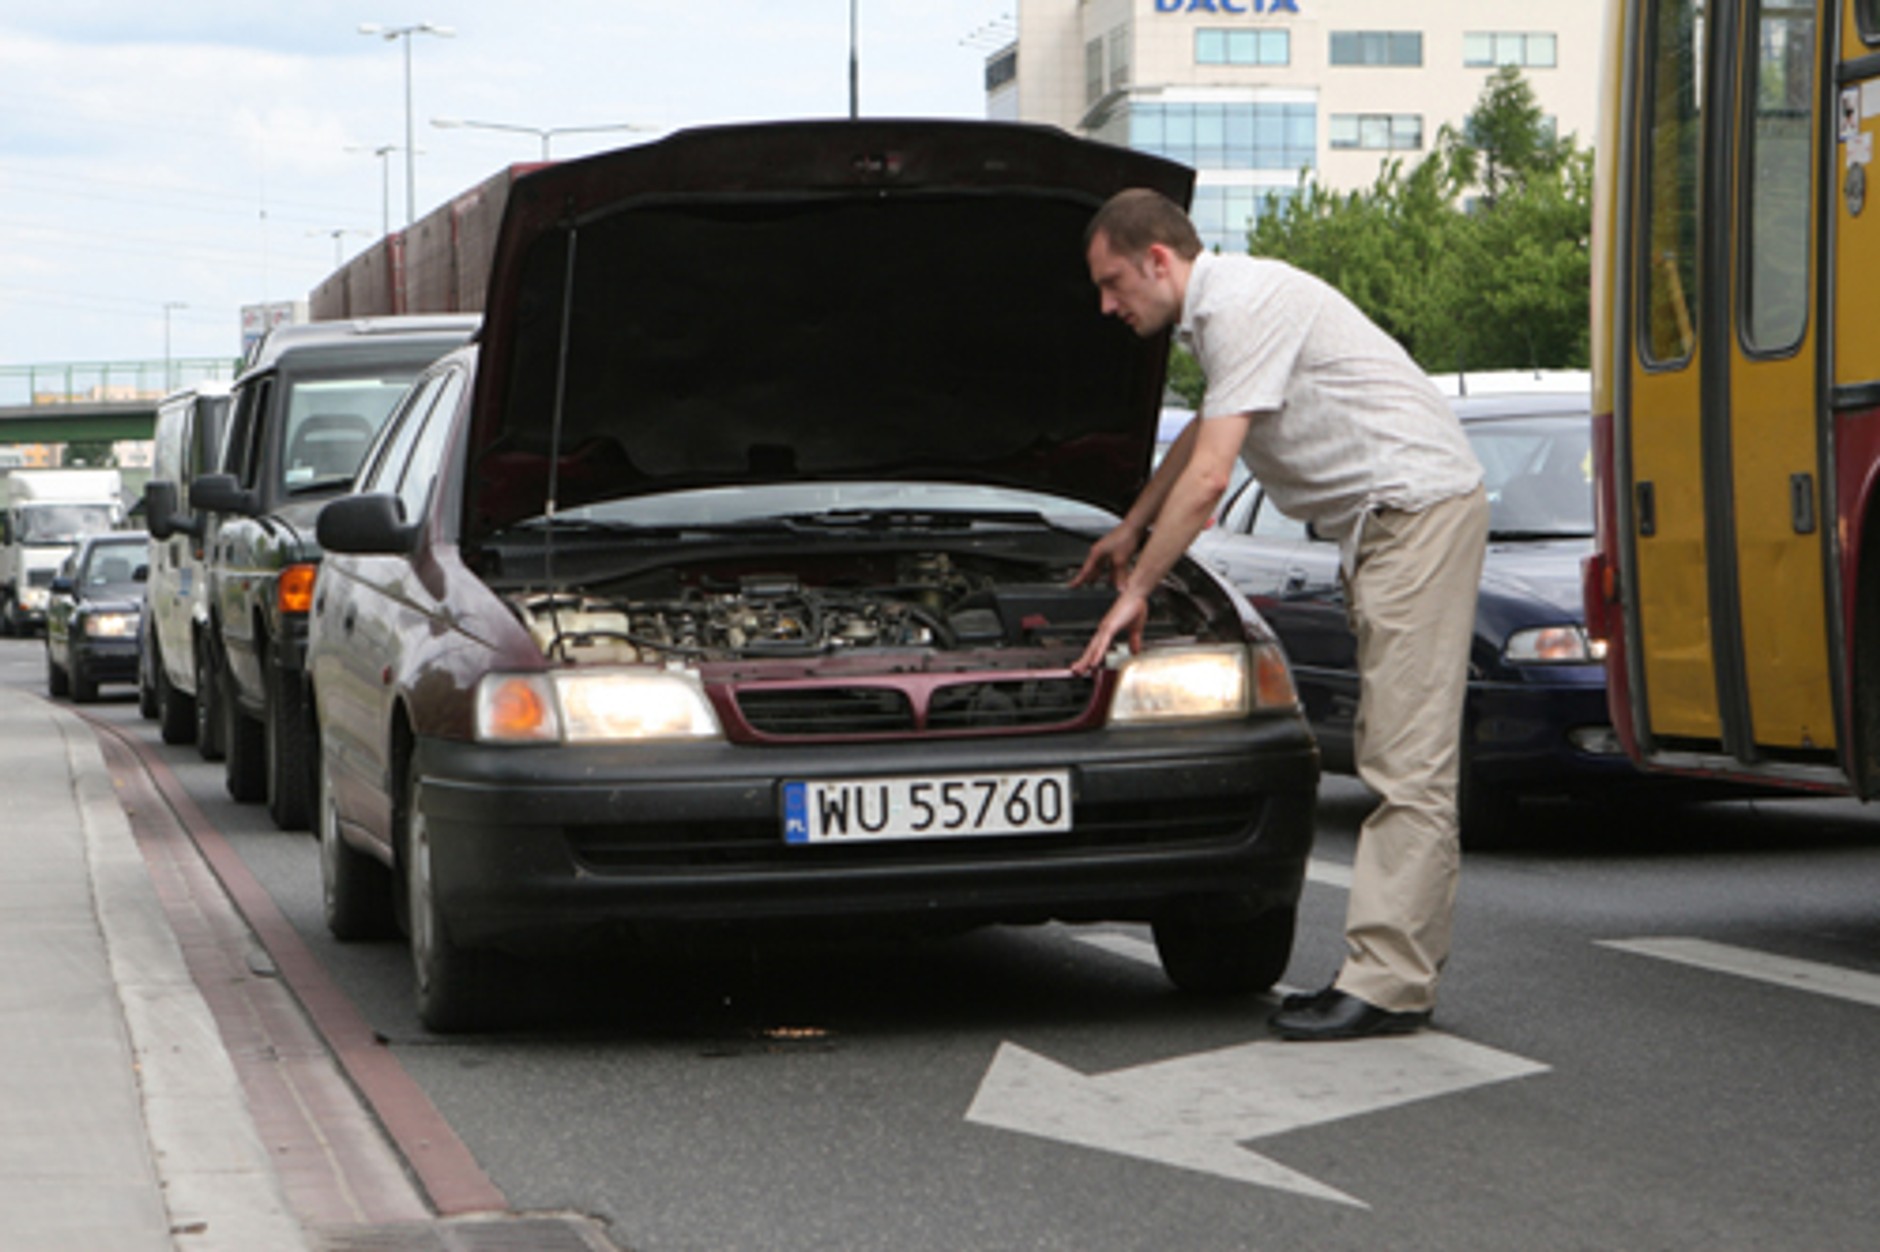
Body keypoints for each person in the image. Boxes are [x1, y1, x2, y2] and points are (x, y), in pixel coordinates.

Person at [1071, 188, 1489, 1042]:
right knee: (1397, 750)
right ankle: (1390, 974)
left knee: (1406, 762)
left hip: (1415, 515)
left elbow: (1213, 478)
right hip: (1390, 523)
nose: (1106, 306)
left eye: (1113, 283)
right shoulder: (1221, 315)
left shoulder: (1244, 305)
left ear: (1160, 260)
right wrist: (1132, 524)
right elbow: (1197, 439)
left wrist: (1141, 587)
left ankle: (1389, 985)